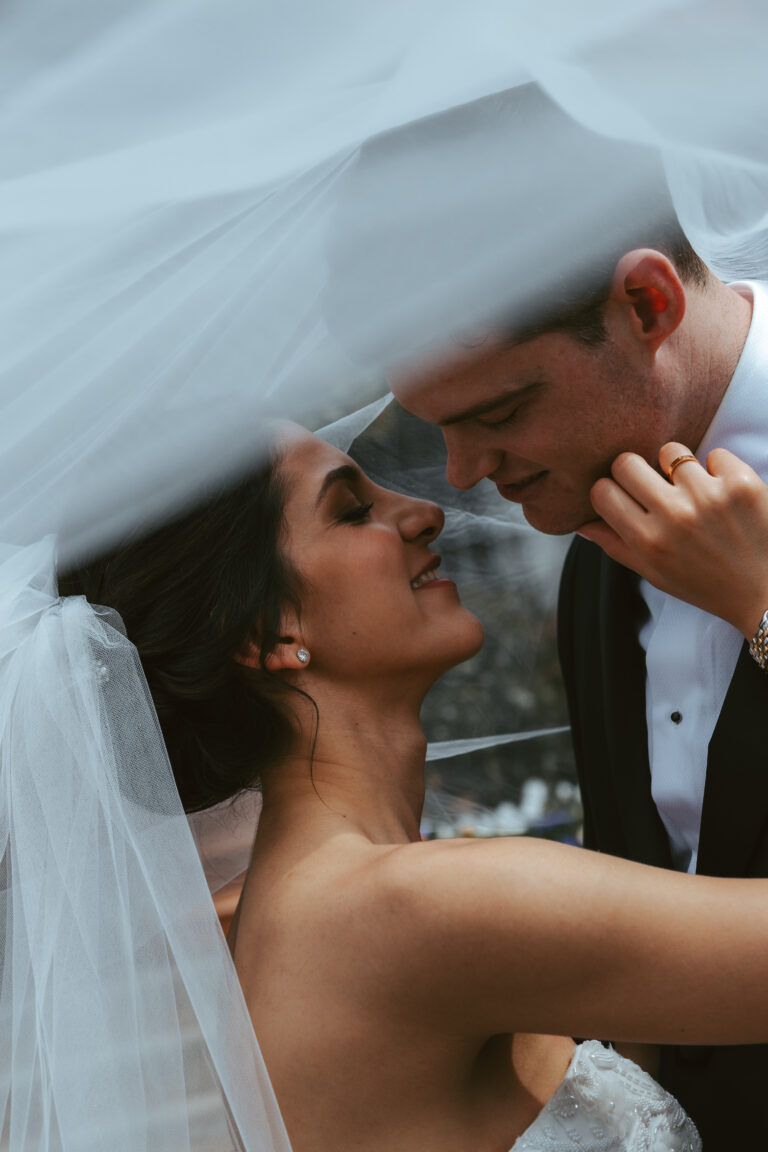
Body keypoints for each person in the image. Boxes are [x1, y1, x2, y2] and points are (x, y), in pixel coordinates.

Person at [62, 422, 768, 1152]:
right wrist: (761, 600)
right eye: (352, 510)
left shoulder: (296, 911)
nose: (424, 510)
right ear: (269, 631)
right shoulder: (413, 910)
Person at [372, 90, 768, 1147]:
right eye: (437, 427)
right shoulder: (596, 524)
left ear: (646, 305)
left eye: (499, 413)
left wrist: (762, 609)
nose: (463, 475)